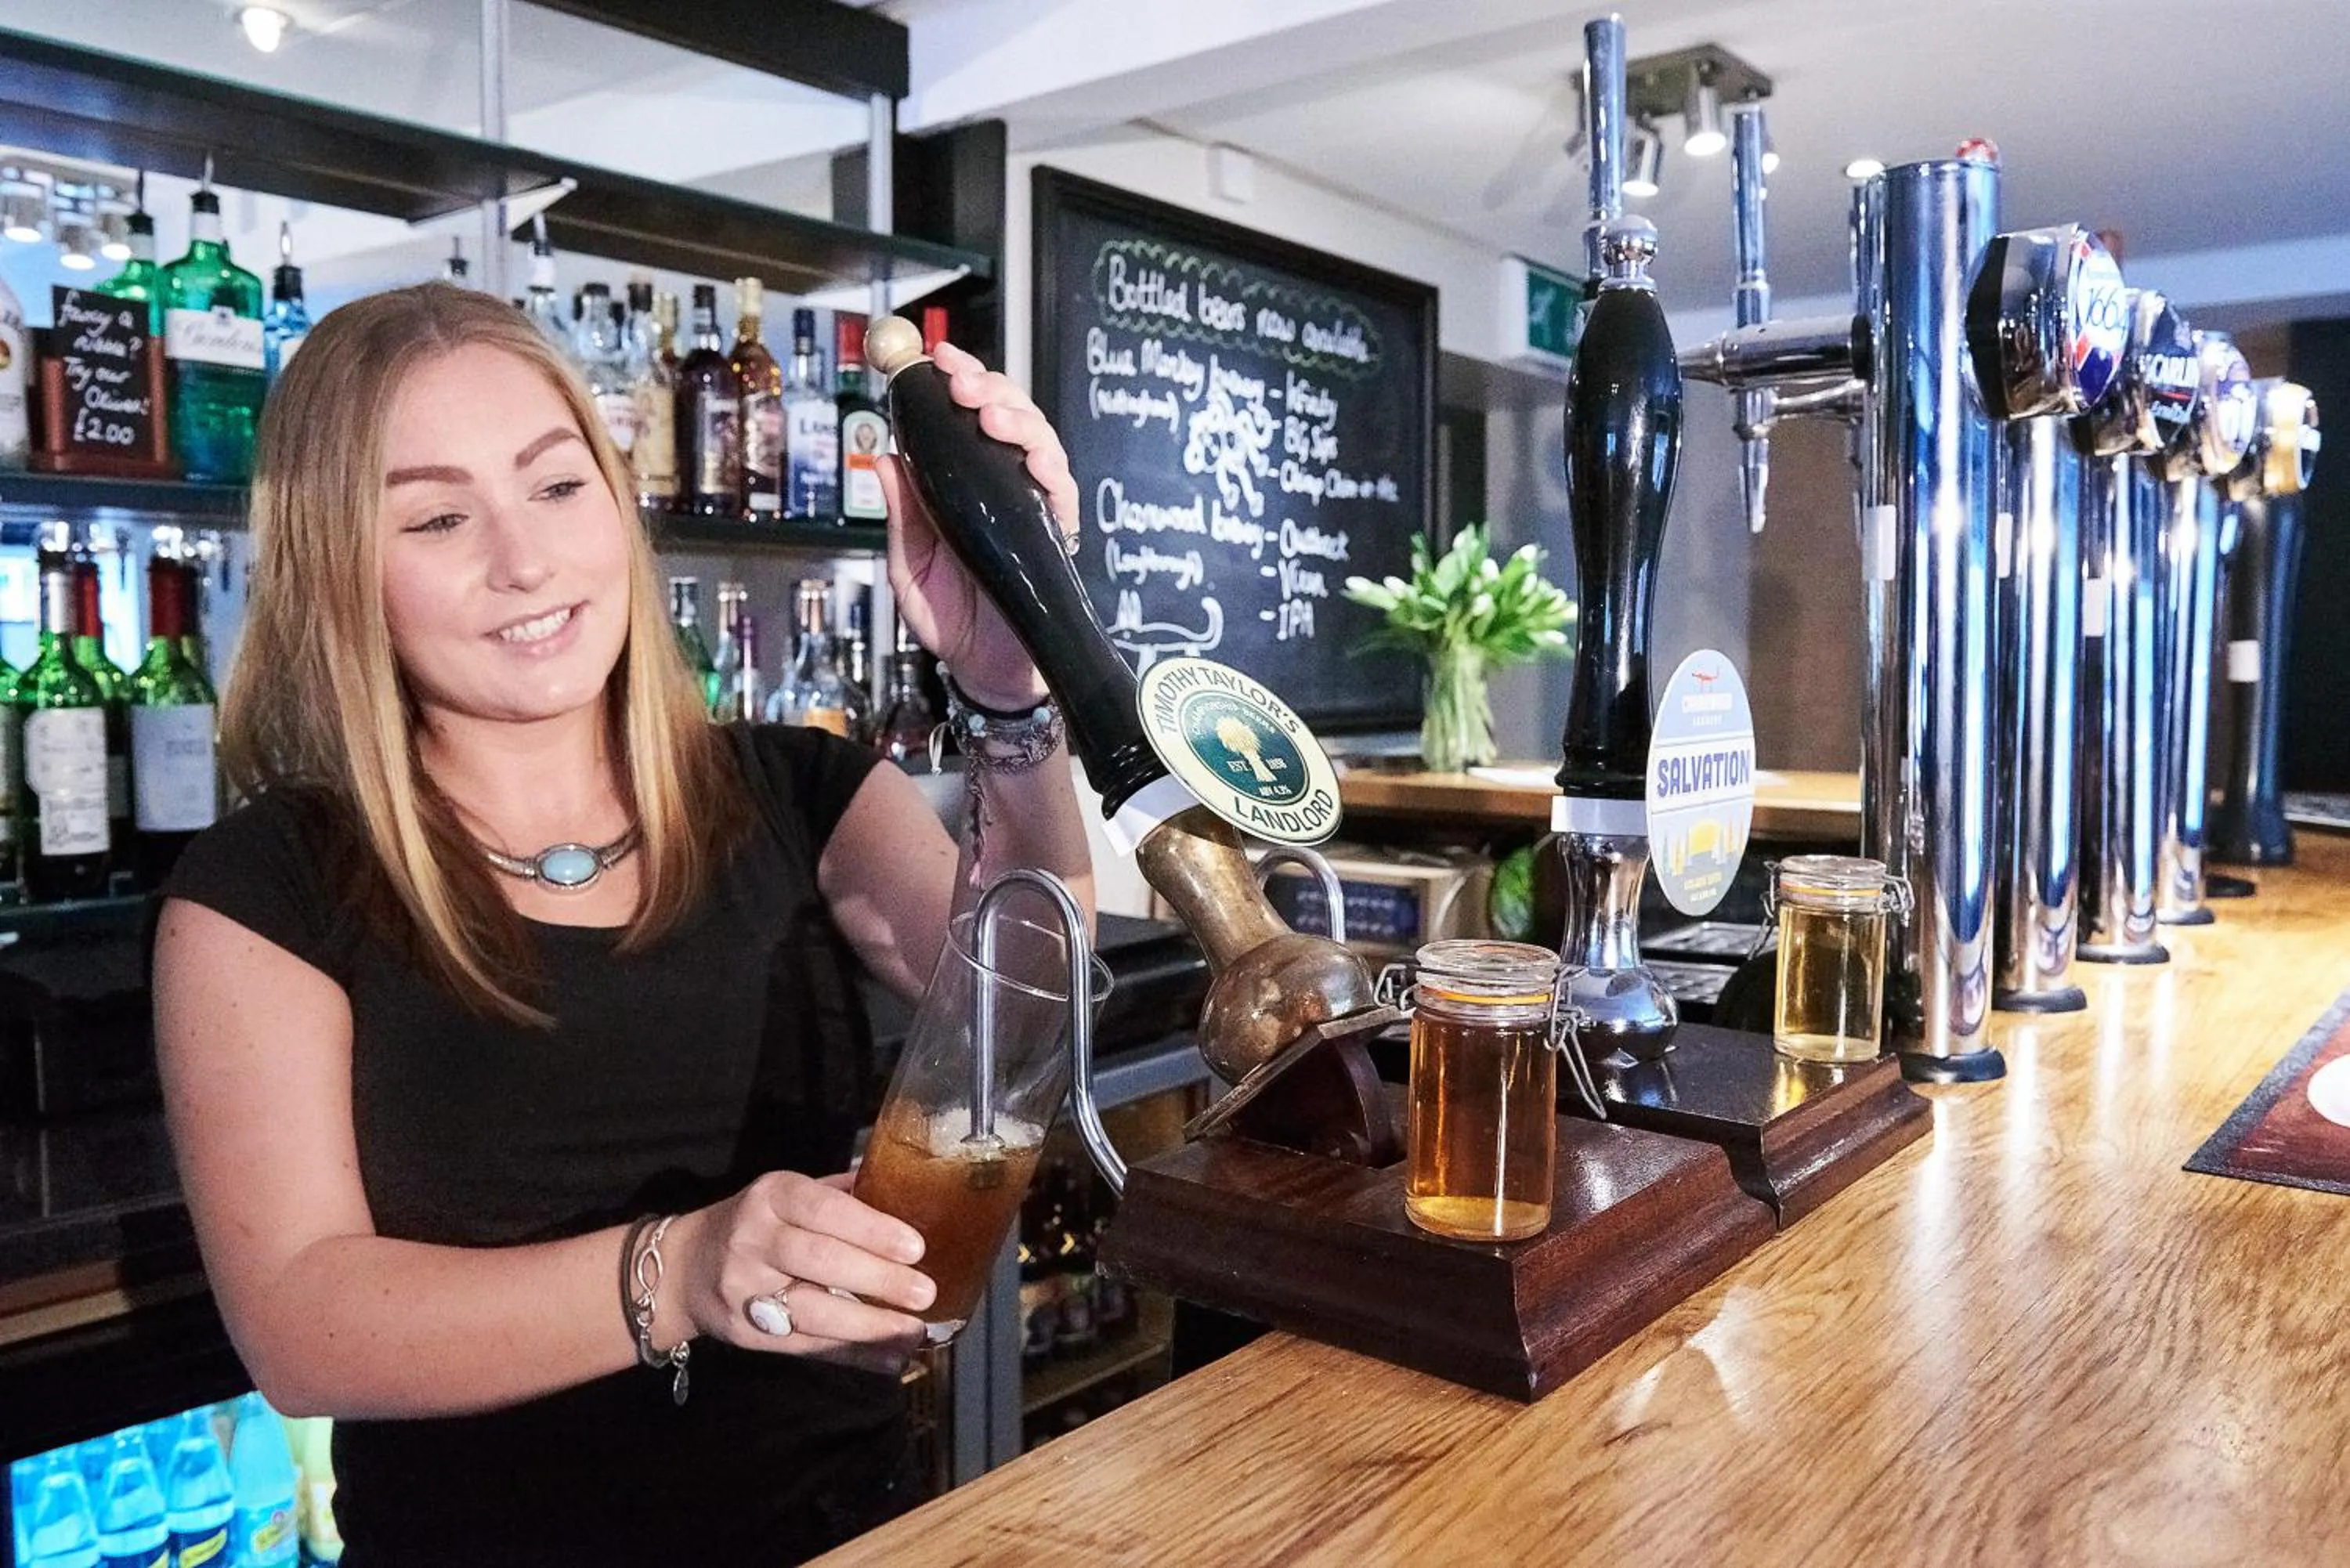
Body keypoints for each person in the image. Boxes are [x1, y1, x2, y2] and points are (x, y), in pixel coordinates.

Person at [151, 283, 1092, 1564]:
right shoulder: (266, 887)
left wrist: (1013, 680)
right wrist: (685, 1270)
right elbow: (301, 1324)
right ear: (336, 570)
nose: (525, 561)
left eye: (556, 485)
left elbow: (1030, 1005)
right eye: (437, 516)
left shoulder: (803, 791)